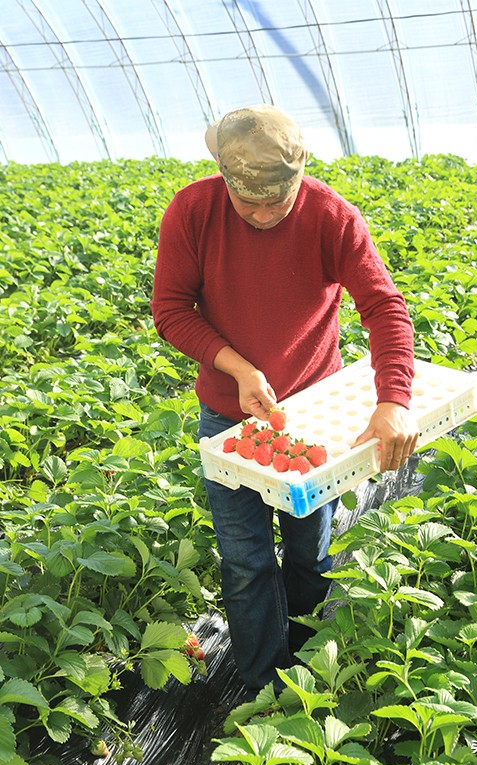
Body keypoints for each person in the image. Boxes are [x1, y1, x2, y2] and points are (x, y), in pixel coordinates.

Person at [150, 103, 418, 700]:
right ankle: (259, 687)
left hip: (314, 410)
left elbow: (384, 308)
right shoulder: (192, 211)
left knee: (309, 553)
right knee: (245, 562)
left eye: (280, 200)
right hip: (228, 414)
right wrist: (237, 366)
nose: (267, 214)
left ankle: (305, 670)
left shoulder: (331, 216)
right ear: (224, 177)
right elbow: (169, 309)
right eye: (252, 204)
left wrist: (393, 399)